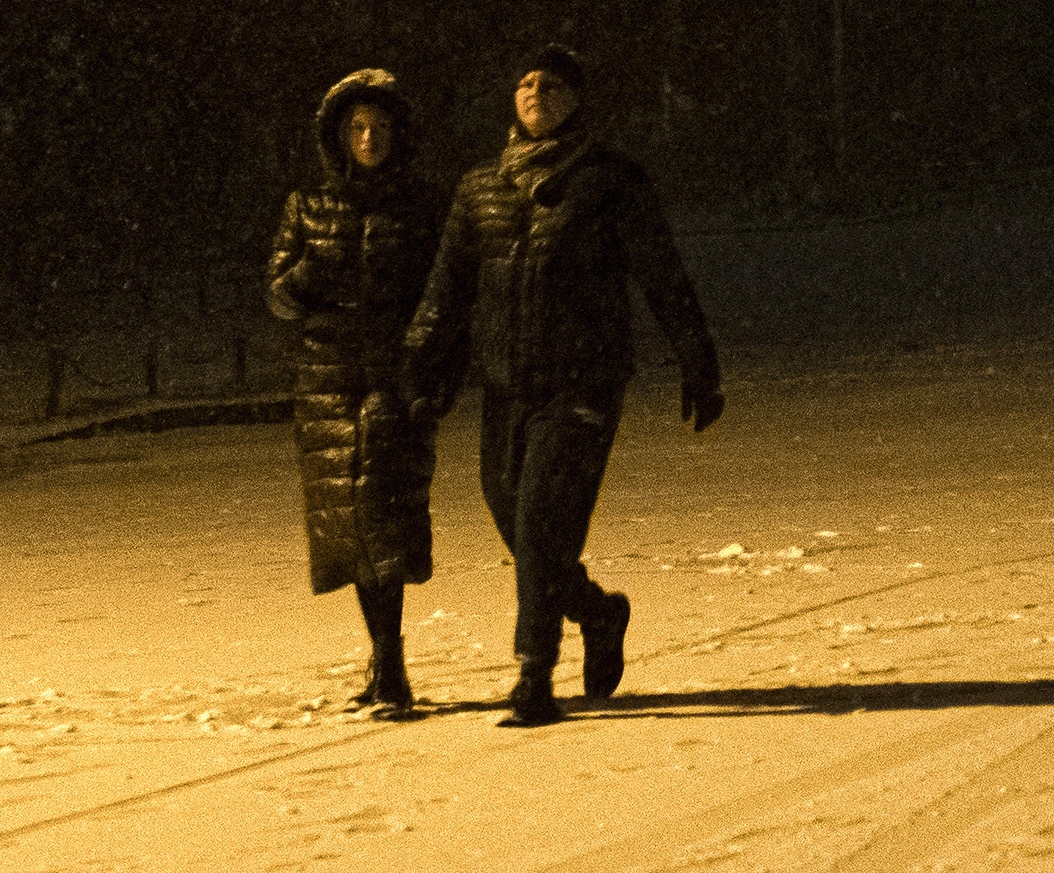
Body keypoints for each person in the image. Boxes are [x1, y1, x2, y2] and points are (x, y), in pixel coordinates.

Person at [404, 41, 721, 727]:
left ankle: (533, 673)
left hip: (584, 379)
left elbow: (661, 272)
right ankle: (598, 612)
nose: (535, 91)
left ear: (575, 100)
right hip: (506, 382)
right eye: (524, 81)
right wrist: (419, 366)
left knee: (541, 521)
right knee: (512, 515)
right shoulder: (479, 187)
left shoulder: (611, 180)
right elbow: (446, 288)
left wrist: (698, 357)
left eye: (551, 84)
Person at [264, 66, 449, 715]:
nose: (369, 138)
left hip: (394, 386)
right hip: (326, 391)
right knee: (349, 530)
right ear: (339, 136)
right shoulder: (306, 206)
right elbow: (279, 297)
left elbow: (443, 295)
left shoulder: (424, 206)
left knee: (385, 521)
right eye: (358, 127)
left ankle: (391, 664)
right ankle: (382, 657)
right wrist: (313, 268)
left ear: (400, 135)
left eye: (380, 127)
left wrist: (432, 373)